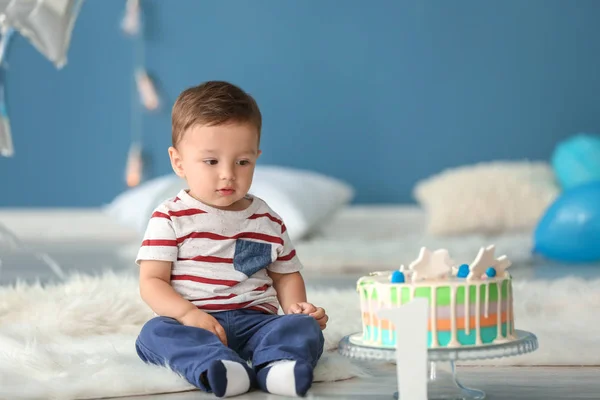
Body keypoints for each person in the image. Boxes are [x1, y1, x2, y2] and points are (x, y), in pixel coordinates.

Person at [134, 81, 328, 398]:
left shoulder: (268, 219)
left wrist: (297, 309)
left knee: (302, 328)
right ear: (178, 161)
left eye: (242, 162)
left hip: (257, 323)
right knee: (153, 334)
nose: (228, 174)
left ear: (256, 157)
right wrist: (187, 315)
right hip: (194, 322)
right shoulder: (170, 217)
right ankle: (219, 367)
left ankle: (279, 366)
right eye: (211, 161)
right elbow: (152, 281)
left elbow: (286, 274)